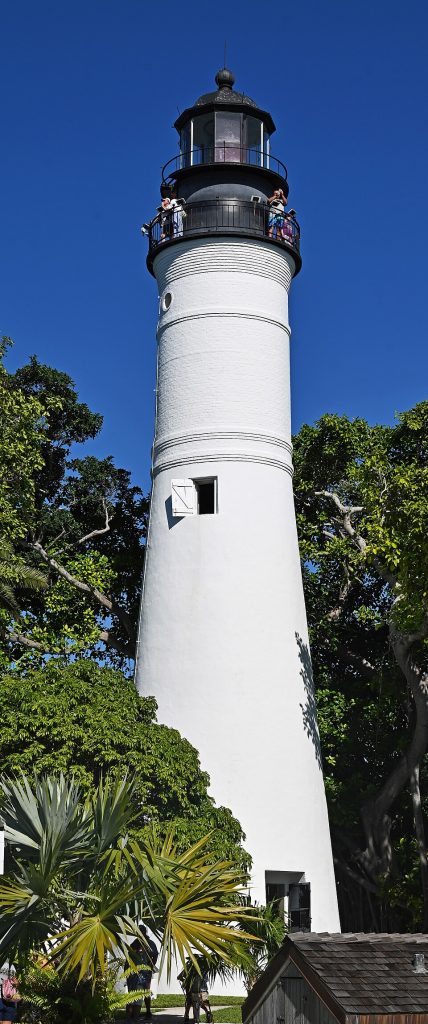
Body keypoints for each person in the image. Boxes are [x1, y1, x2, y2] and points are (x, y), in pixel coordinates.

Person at [126, 927, 158, 1021]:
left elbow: (155, 955)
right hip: (133, 973)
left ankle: (147, 1011)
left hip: (145, 972)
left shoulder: (150, 943)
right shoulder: (135, 943)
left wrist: (150, 966)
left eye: (142, 932)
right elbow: (129, 956)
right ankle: (131, 1016)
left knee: (146, 991)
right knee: (132, 994)